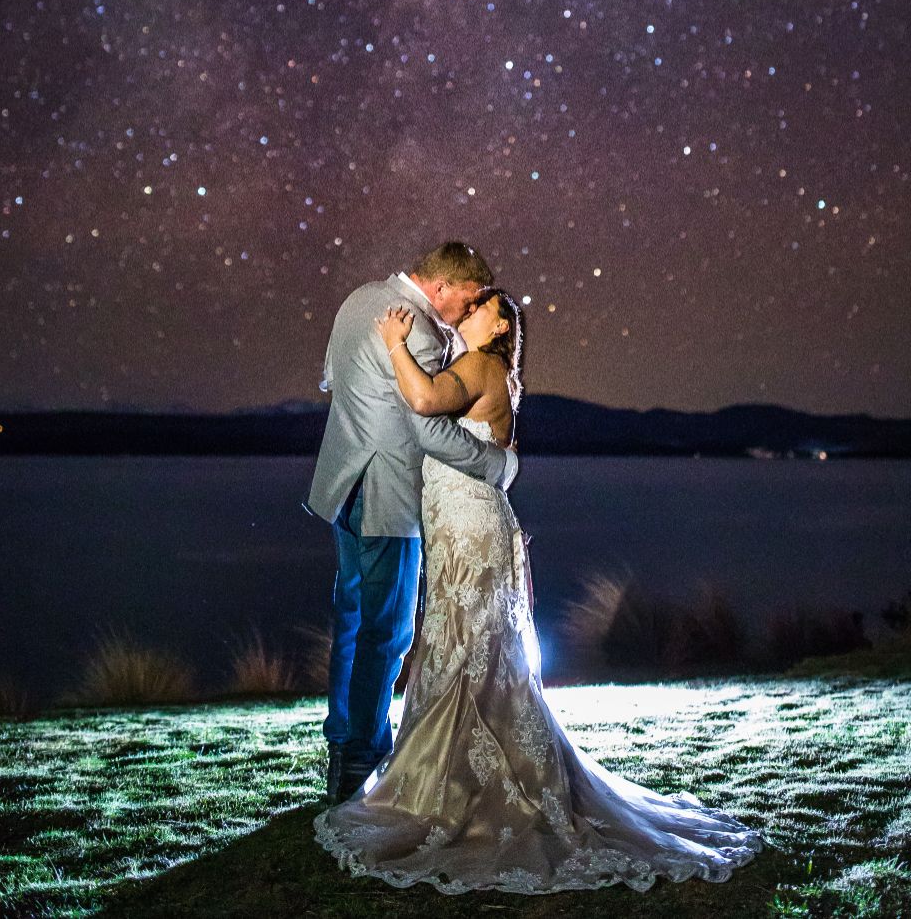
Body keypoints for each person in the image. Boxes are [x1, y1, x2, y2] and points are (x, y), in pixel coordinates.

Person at [312, 291, 766, 895]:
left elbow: (423, 404)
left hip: (470, 527)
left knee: (472, 649)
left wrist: (394, 343)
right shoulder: (486, 369)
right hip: (461, 522)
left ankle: (468, 787)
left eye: (477, 307)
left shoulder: (479, 365)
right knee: (469, 648)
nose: (464, 311)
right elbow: (489, 444)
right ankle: (452, 775)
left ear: (499, 324)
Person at [305, 242, 519, 805]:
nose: (466, 315)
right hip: (386, 497)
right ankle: (359, 761)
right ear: (444, 287)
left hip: (341, 487)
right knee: (388, 631)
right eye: (468, 301)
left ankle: (341, 746)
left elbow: (330, 377)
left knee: (351, 621)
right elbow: (428, 430)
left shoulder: (359, 300)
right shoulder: (419, 330)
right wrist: (495, 465)